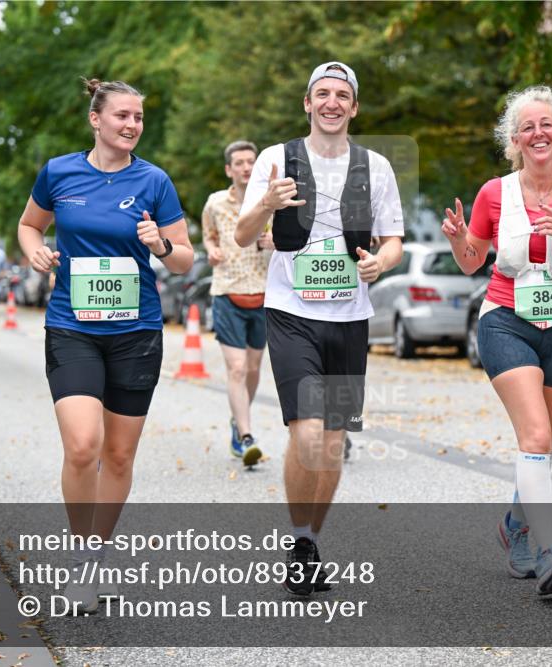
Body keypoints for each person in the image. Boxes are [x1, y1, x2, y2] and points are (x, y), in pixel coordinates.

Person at [17, 77, 193, 614]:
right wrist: (36, 252)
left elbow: (185, 258)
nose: (132, 125)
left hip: (135, 333)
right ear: (97, 119)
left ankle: (96, 557)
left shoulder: (154, 181)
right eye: (122, 116)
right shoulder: (59, 172)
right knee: (83, 446)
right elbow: (29, 225)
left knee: (117, 455)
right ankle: (78, 557)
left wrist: (160, 244)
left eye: (138, 117)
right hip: (72, 326)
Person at [235, 62, 404, 596]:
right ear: (307, 103)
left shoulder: (374, 166)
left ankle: (307, 542)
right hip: (291, 313)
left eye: (342, 96)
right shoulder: (275, 158)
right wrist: (266, 202)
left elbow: (393, 238)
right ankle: (297, 535)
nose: (331, 103)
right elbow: (242, 236)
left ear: (354, 108)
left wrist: (383, 263)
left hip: (350, 319)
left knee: (331, 444)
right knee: (306, 433)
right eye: (322, 94)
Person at [442, 85, 552, 595]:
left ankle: (514, 524)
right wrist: (459, 241)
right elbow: (473, 261)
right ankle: (548, 554)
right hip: (506, 321)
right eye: (527, 128)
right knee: (535, 437)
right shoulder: (493, 193)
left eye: (547, 125)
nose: (538, 134)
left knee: (541, 444)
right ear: (514, 141)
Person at [202, 140, 273, 466]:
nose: (246, 167)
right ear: (229, 170)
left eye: (250, 162)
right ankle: (246, 436)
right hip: (227, 292)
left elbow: (288, 241)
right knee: (238, 367)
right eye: (239, 163)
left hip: (264, 294)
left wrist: (274, 241)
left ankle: (237, 420)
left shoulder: (271, 201)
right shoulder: (215, 203)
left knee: (254, 369)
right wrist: (211, 250)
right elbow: (208, 235)